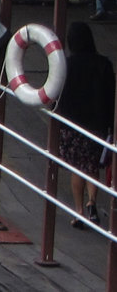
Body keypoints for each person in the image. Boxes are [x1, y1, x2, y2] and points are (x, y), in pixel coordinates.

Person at [54, 22, 116, 228]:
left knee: (77, 168)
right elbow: (111, 96)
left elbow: (57, 95)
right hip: (98, 125)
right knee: (91, 166)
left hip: (73, 126)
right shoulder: (104, 64)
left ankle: (79, 211)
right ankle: (92, 203)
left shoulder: (67, 65)